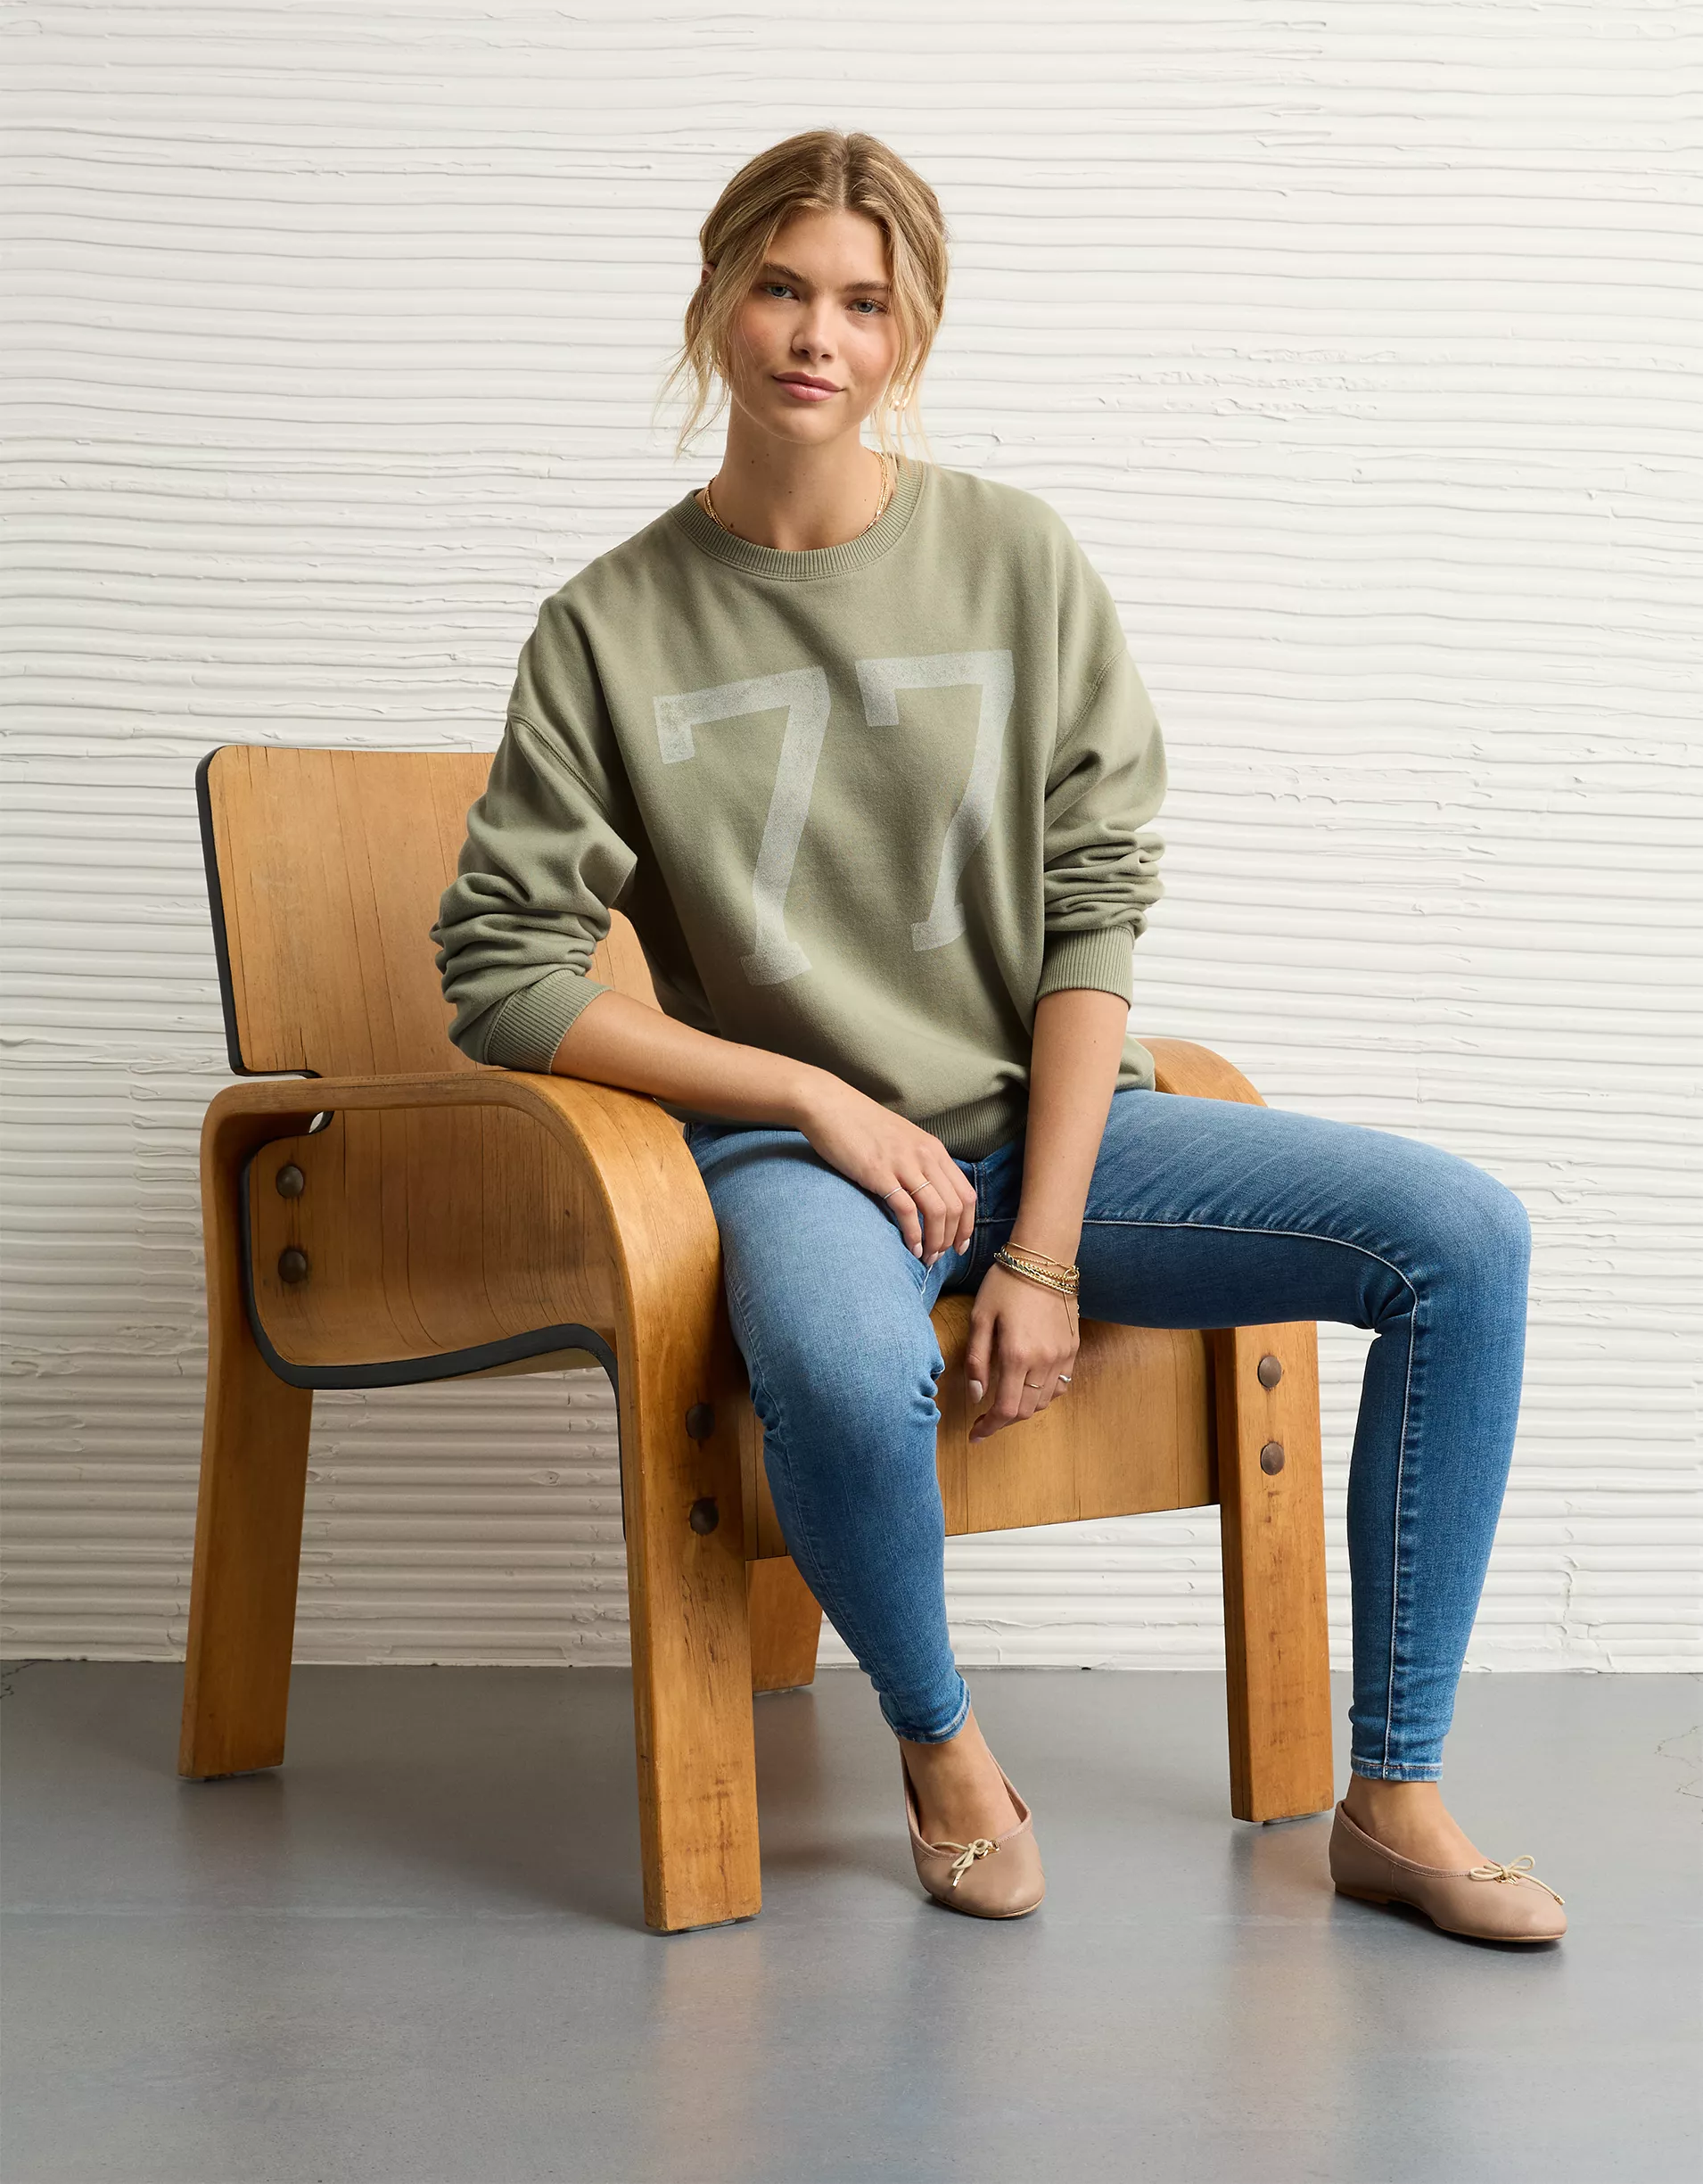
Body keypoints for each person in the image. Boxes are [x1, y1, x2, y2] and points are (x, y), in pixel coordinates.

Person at [431, 128, 1565, 1939]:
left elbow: (1093, 902)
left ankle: (1394, 1789)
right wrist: (808, 1093)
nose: (818, 335)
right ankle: (941, 1743)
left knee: (1462, 1241)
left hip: (1051, 1131)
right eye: (780, 287)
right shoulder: (607, 627)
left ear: (912, 333)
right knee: (841, 1365)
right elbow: (504, 972)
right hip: (801, 1163)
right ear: (715, 300)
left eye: (864, 303)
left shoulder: (1014, 561)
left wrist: (1040, 1247)